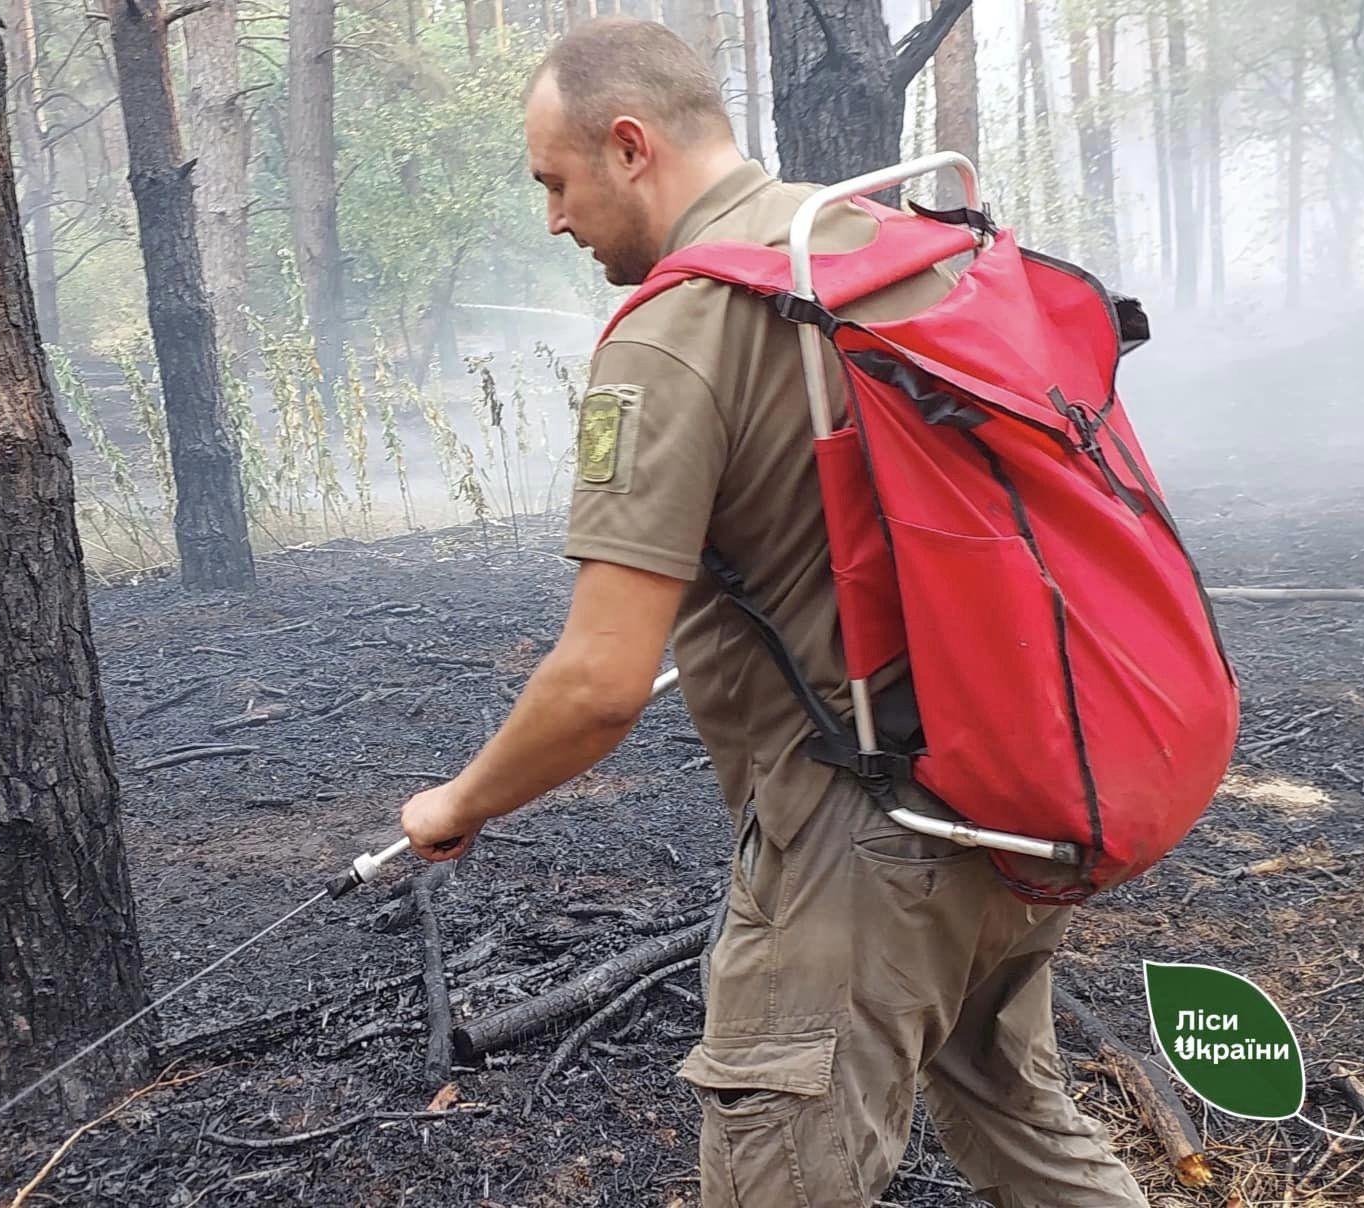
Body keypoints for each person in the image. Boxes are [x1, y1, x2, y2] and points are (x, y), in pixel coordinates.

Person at [396, 18, 1151, 1208]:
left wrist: (457, 800)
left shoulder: (671, 333)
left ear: (629, 145)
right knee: (1018, 1119)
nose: (551, 218)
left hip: (859, 843)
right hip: (1016, 784)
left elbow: (596, 683)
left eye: (555, 182)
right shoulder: (894, 241)